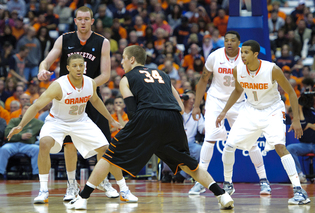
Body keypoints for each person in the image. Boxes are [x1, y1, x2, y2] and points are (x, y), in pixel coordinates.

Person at [66, 45, 234, 211]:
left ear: (131, 59)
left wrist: (140, 132)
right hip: (173, 118)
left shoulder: (127, 78)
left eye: (124, 59)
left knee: (109, 156)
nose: (122, 63)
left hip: (148, 117)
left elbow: (132, 112)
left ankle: (82, 199)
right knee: (187, 163)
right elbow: (181, 108)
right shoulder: (163, 75)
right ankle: (222, 195)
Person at [7, 54, 136, 204]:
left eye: (81, 65)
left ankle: (124, 189)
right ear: (68, 68)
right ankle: (43, 190)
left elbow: (95, 100)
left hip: (80, 121)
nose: (78, 68)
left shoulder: (90, 83)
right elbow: (36, 106)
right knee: (44, 143)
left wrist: (112, 120)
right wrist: (20, 125)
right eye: (74, 66)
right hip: (57, 122)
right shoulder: (58, 85)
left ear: (85, 67)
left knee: (106, 149)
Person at [36, 6, 119, 200]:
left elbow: (105, 74)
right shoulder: (64, 39)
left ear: (92, 20)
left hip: (92, 96)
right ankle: (71, 185)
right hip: (67, 98)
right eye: (79, 18)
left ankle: (102, 181)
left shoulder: (102, 42)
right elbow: (46, 62)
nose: (83, 22)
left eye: (86, 19)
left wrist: (85, 87)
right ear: (75, 20)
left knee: (103, 144)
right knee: (69, 144)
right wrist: (42, 69)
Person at [216, 40, 310, 205]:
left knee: (280, 146)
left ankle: (298, 190)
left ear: (255, 54)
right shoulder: (238, 70)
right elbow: (238, 90)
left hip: (272, 110)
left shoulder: (272, 69)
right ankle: (228, 185)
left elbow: (291, 92)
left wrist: (295, 119)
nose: (242, 55)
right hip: (250, 110)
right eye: (241, 52)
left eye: (245, 52)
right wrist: (224, 111)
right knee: (229, 146)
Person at [189, 31, 271, 195]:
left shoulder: (246, 57)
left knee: (252, 142)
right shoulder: (215, 56)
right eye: (226, 40)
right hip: (215, 101)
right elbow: (203, 80)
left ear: (239, 43)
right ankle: (200, 182)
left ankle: (263, 180)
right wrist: (197, 105)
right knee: (209, 138)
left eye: (233, 40)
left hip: (239, 102)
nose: (229, 43)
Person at [0, 103, 43, 180]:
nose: (27, 111)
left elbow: (46, 131)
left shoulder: (38, 123)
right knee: (4, 149)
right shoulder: (14, 121)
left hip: (28, 145)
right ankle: (1, 173)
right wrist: (20, 136)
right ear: (21, 110)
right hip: (13, 144)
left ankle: (36, 174)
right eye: (25, 108)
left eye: (29, 109)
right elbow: (7, 134)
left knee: (37, 149)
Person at [287, 86, 315, 183]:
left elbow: (306, 125)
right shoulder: (306, 109)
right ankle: (299, 174)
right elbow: (301, 126)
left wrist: (309, 125)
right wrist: (300, 109)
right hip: (304, 145)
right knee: (290, 148)